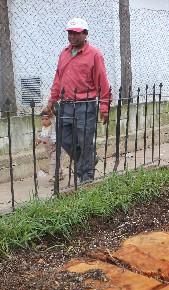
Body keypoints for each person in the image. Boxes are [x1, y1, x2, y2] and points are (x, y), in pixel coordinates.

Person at [44, 17, 111, 184]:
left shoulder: (94, 54)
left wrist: (104, 107)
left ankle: (86, 177)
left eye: (76, 33)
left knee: (85, 141)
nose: (72, 36)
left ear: (85, 34)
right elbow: (58, 78)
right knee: (63, 137)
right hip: (66, 104)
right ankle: (87, 161)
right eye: (70, 33)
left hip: (85, 105)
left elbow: (102, 81)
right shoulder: (64, 53)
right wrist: (52, 100)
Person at [38, 110, 63, 182]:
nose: (44, 121)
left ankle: (55, 176)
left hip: (56, 146)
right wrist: (38, 141)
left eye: (46, 119)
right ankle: (60, 174)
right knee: (55, 161)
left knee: (53, 162)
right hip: (48, 148)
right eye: (42, 119)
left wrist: (51, 112)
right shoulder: (43, 128)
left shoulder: (53, 126)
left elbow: (54, 119)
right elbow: (42, 136)